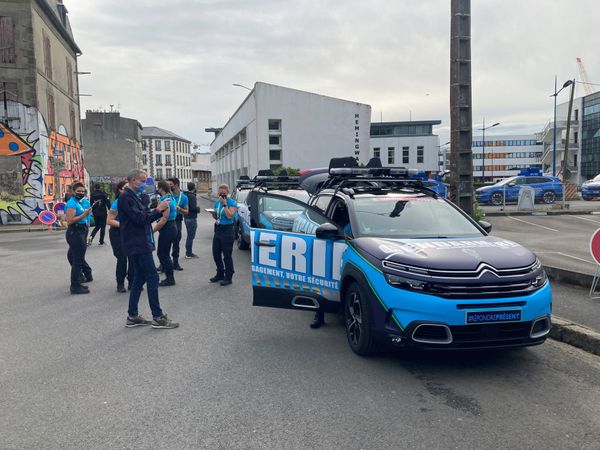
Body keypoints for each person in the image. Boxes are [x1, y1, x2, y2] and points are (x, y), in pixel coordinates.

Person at [119, 169, 178, 329]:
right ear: (132, 180)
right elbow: (140, 219)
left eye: (145, 181)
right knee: (152, 277)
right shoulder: (126, 197)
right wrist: (159, 210)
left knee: (139, 278)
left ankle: (132, 315)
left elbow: (144, 214)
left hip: (140, 241)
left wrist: (155, 208)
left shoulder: (134, 196)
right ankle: (157, 317)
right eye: (142, 181)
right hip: (137, 243)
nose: (145, 184)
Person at [65, 182, 94, 295]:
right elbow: (70, 220)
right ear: (73, 192)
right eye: (78, 191)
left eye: (82, 191)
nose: (81, 193)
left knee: (74, 255)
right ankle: (75, 285)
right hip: (75, 231)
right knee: (78, 259)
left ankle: (84, 275)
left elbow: (87, 217)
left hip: (83, 230)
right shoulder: (71, 203)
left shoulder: (83, 202)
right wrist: (84, 214)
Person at [107, 181, 135, 293]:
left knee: (133, 259)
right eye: (125, 188)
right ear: (119, 190)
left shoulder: (132, 201)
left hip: (130, 233)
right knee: (122, 259)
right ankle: (120, 283)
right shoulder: (117, 203)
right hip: (117, 233)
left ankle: (132, 282)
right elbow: (109, 221)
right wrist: (125, 225)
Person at [210, 184, 238, 286]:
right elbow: (218, 216)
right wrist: (213, 214)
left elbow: (230, 216)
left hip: (228, 230)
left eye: (224, 194)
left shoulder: (232, 203)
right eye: (220, 193)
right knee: (216, 253)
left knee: (227, 255)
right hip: (218, 228)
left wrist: (225, 204)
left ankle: (229, 276)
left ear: (227, 193)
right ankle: (220, 273)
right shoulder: (217, 202)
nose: (222, 196)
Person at [155, 180, 178, 287]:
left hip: (168, 228)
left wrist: (151, 231)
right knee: (164, 253)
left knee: (162, 254)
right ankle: (168, 274)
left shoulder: (166, 200)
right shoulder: (170, 198)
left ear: (161, 188)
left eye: (157, 187)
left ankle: (170, 278)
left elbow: (164, 219)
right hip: (171, 227)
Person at [167, 177, 188, 271]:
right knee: (166, 242)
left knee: (176, 242)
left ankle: (175, 262)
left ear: (176, 185)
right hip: (167, 220)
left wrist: (179, 209)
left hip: (177, 220)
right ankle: (165, 262)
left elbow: (187, 211)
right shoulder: (167, 196)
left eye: (170, 184)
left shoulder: (183, 197)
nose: (168, 186)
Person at [184, 182, 200, 258]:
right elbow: (193, 208)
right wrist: (198, 209)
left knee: (189, 235)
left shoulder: (185, 195)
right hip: (192, 218)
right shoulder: (192, 196)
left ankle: (188, 252)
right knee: (191, 236)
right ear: (194, 187)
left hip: (186, 217)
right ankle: (188, 253)